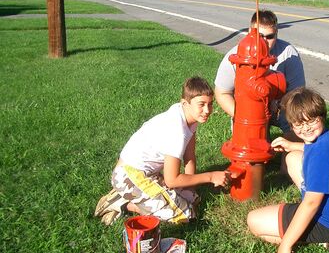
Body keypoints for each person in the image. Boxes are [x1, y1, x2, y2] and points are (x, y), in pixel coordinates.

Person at [246, 87, 329, 253]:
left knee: (253, 221)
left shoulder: (321, 156)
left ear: (322, 116)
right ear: (291, 126)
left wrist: (285, 247)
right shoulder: (325, 140)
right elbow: (311, 149)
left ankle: (324, 239)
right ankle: (323, 234)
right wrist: (291, 145)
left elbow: (311, 204)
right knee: (293, 157)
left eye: (312, 121)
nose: (306, 128)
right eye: (299, 124)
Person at [95, 77, 229, 225]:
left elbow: (189, 156)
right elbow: (172, 180)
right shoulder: (176, 131)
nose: (207, 110)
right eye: (202, 104)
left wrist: (191, 192)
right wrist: (211, 176)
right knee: (186, 215)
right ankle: (122, 204)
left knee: (193, 200)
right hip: (129, 176)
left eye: (210, 104)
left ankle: (139, 198)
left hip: (148, 174)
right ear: (185, 103)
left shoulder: (188, 116)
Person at [214, 10, 305, 134]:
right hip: (247, 110)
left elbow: (298, 93)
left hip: (280, 108)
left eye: (270, 36)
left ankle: (290, 150)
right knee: (247, 142)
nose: (264, 41)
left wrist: (279, 104)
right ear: (250, 34)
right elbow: (222, 92)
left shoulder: (289, 54)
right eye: (260, 36)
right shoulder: (235, 55)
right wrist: (245, 116)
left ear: (276, 34)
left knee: (298, 128)